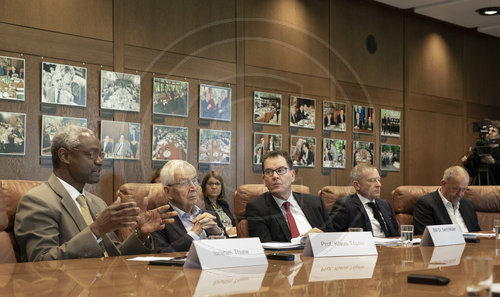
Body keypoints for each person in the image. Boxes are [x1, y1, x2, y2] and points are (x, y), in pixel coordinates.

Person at [14, 126, 176, 261]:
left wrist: (141, 234)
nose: (99, 161)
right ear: (65, 156)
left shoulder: (97, 202)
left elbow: (115, 256)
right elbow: (41, 263)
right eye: (91, 154)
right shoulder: (37, 201)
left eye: (101, 155)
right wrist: (96, 230)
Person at [245, 150, 329, 242]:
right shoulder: (257, 208)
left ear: (292, 175)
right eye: (269, 172)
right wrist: (304, 240)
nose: (275, 176)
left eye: (281, 170)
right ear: (264, 180)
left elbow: (333, 238)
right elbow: (265, 247)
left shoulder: (316, 202)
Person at [152, 160, 225, 252]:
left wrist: (219, 233)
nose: (193, 188)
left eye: (194, 181)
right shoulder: (159, 221)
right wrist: (193, 234)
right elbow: (160, 255)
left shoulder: (211, 216)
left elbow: (229, 253)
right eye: (184, 183)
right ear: (168, 192)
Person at [329, 164, 399, 237]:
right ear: (357, 185)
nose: (379, 185)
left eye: (378, 180)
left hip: (389, 246)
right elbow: (332, 235)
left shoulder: (385, 204)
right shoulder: (345, 205)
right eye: (372, 180)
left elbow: (395, 233)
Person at [413, 165, 480, 235]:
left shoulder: (468, 205)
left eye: (464, 189)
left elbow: (477, 234)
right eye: (456, 189)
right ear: (443, 183)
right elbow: (426, 238)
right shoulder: (425, 204)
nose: (460, 194)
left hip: (472, 245)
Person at [201, 171, 237, 237]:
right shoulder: (203, 204)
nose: (214, 187)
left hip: (233, 237)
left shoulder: (223, 204)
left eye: (217, 184)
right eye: (210, 184)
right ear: (204, 186)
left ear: (221, 187)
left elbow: (233, 224)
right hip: (218, 238)